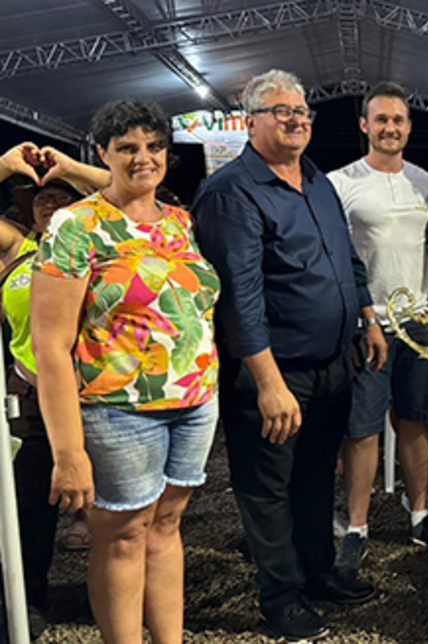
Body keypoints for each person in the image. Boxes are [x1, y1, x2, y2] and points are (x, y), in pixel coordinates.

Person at [193, 69, 385, 641]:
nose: (296, 119)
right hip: (275, 374)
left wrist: (368, 317)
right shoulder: (231, 192)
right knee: (267, 487)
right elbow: (239, 298)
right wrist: (268, 382)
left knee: (312, 480)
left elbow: (348, 259)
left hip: (332, 364)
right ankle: (280, 597)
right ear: (250, 121)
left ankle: (320, 573)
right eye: (281, 111)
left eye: (302, 110)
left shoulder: (316, 180)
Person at [31, 99, 220, 643]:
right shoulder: (77, 227)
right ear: (103, 154)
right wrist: (68, 454)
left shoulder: (179, 222)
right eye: (127, 148)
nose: (144, 158)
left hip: (193, 404)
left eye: (154, 146)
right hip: (118, 412)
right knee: (121, 538)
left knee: (164, 529)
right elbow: (51, 346)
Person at [325, 81, 428, 571]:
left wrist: (425, 286)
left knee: (415, 422)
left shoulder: (427, 183)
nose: (390, 128)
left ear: (409, 126)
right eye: (381, 120)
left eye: (398, 120)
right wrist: (366, 311)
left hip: (417, 323)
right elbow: (337, 255)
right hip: (365, 324)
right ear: (365, 125)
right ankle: (358, 527)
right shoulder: (340, 183)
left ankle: (420, 516)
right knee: (363, 429)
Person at [0, 143, 108, 636]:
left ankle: (106, 598)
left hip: (101, 397)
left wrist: (72, 170)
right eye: (40, 197)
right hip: (31, 398)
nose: (48, 202)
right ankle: (31, 600)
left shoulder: (104, 239)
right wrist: (3, 166)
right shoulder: (17, 249)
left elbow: (128, 189)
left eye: (61, 194)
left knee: (112, 511)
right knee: (30, 514)